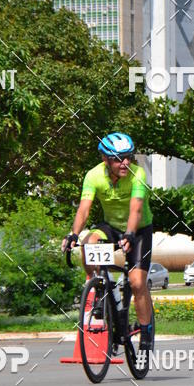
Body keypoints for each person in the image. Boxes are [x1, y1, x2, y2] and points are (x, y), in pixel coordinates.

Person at [62, 132, 154, 352]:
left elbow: (136, 208)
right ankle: (101, 288)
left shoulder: (137, 173)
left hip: (139, 229)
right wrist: (73, 234)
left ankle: (146, 332)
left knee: (137, 283)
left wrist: (130, 234)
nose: (125, 163)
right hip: (111, 226)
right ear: (105, 159)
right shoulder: (93, 176)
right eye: (117, 158)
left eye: (128, 157)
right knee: (88, 241)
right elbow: (84, 208)